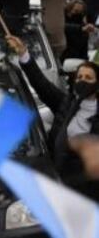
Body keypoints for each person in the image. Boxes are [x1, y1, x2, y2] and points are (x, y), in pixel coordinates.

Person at [7, 35, 99, 186]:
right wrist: (24, 54)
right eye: (79, 77)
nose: (82, 80)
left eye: (88, 78)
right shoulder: (66, 103)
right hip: (57, 180)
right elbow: (41, 85)